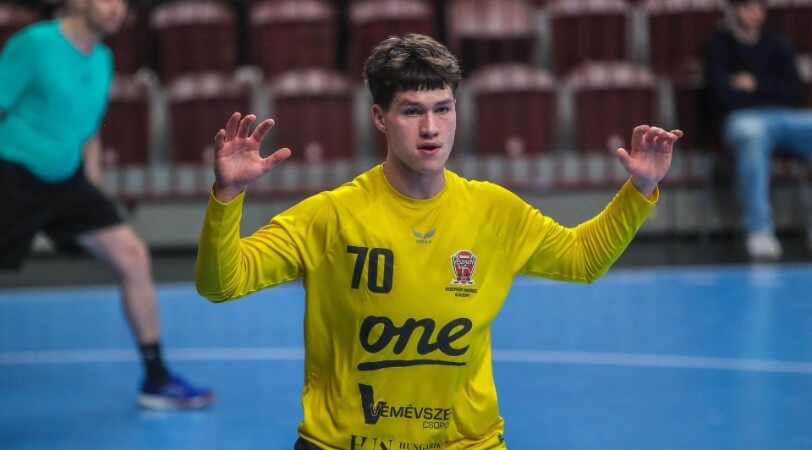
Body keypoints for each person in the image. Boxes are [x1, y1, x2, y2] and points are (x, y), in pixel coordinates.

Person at [196, 34, 682, 449]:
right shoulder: (330, 216)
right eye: (412, 111)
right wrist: (227, 196)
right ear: (380, 117)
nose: (430, 128)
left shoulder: (493, 211)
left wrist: (638, 190)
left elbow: (582, 260)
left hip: (466, 443)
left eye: (442, 109)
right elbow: (222, 284)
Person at [0, 0, 214, 410]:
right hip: (12, 177)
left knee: (132, 256)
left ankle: (156, 378)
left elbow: (89, 130)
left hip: (67, 181)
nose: (117, 8)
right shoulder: (35, 44)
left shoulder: (102, 58)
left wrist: (94, 190)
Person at [703, 0, 812, 261]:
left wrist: (755, 85)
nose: (754, 13)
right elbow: (721, 95)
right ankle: (759, 229)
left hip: (783, 116)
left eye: (759, 8)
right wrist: (766, 90)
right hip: (741, 118)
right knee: (751, 135)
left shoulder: (778, 44)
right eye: (748, 7)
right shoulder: (718, 47)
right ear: (735, 10)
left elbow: (794, 92)